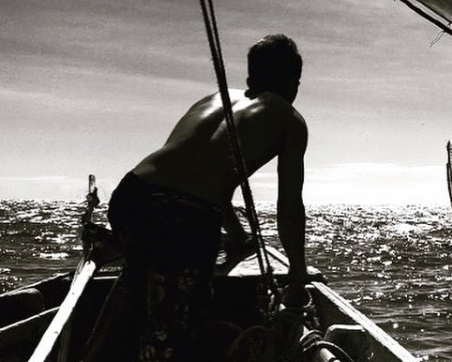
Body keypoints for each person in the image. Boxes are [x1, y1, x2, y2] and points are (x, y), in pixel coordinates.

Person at [83, 34, 308, 362]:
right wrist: (298, 276)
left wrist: (238, 236)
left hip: (131, 195)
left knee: (137, 277)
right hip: (183, 219)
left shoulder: (214, 98)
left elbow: (191, 175)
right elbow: (289, 207)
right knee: (172, 333)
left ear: (250, 79)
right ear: (293, 82)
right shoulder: (289, 119)